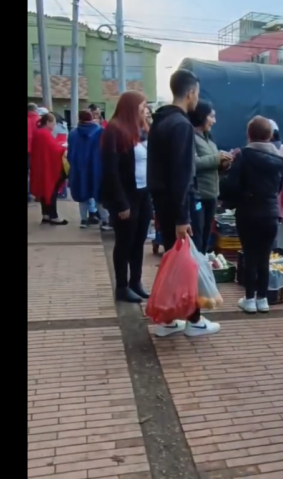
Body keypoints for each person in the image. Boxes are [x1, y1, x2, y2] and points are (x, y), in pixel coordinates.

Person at [147, 69, 220, 337]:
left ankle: (168, 319)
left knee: (173, 262)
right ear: (190, 93)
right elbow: (181, 174)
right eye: (197, 94)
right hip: (182, 206)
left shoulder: (160, 121)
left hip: (164, 204)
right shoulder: (181, 126)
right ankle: (194, 321)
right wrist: (183, 217)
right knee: (190, 263)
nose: (196, 99)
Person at [220, 116, 283, 314]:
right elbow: (279, 187)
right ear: (269, 135)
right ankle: (263, 299)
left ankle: (249, 299)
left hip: (248, 211)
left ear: (249, 134)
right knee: (265, 256)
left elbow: (232, 185)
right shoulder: (279, 159)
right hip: (270, 212)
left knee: (250, 255)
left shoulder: (244, 156)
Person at [101, 91, 153, 303]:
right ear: (132, 107)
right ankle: (122, 287)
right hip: (125, 196)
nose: (146, 109)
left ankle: (136, 281)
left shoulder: (141, 130)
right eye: (143, 106)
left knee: (139, 240)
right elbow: (111, 171)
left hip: (143, 194)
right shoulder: (114, 130)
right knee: (124, 241)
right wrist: (121, 203)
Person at [189, 100, 232, 253]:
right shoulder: (191, 137)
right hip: (198, 197)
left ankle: (202, 263)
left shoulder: (209, 139)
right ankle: (196, 268)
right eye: (211, 117)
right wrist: (217, 158)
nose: (214, 121)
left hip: (211, 195)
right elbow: (193, 164)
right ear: (201, 116)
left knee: (207, 232)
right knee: (198, 232)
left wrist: (223, 164)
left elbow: (213, 166)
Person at [30, 112, 69, 225]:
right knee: (52, 191)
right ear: (48, 122)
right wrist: (63, 147)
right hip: (48, 168)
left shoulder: (38, 132)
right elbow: (54, 150)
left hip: (40, 167)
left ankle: (46, 215)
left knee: (44, 192)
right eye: (54, 123)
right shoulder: (44, 134)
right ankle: (53, 216)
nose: (54, 126)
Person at [68, 110, 104, 229]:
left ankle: (83, 220)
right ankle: (105, 221)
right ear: (92, 118)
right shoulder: (100, 132)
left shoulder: (73, 133)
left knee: (82, 195)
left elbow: (70, 153)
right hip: (97, 167)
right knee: (99, 195)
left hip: (79, 168)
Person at [28, 103, 40, 202]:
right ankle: (37, 194)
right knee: (37, 172)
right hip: (36, 151)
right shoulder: (39, 120)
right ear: (35, 110)